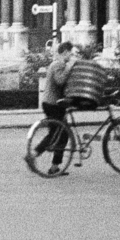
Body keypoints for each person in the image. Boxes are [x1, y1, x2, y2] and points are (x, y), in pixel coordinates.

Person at [39, 39, 78, 175]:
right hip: (52, 103)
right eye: (70, 54)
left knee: (61, 134)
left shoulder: (59, 64)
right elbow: (60, 80)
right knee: (56, 134)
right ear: (65, 52)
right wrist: (69, 67)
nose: (71, 57)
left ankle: (55, 167)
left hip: (55, 103)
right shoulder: (58, 64)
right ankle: (34, 153)